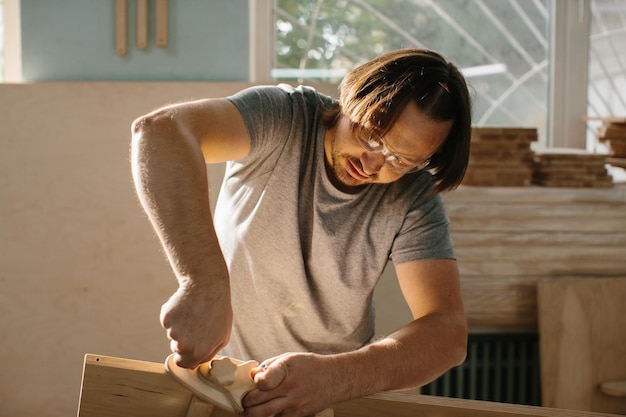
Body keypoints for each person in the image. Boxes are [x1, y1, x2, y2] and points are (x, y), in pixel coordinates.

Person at [131, 48, 472, 417]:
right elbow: (160, 132)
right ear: (353, 97)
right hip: (223, 385)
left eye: (400, 160)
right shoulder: (284, 116)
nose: (371, 163)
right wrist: (202, 280)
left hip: (326, 398)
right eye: (371, 135)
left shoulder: (412, 195)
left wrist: (337, 379)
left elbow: (447, 333)